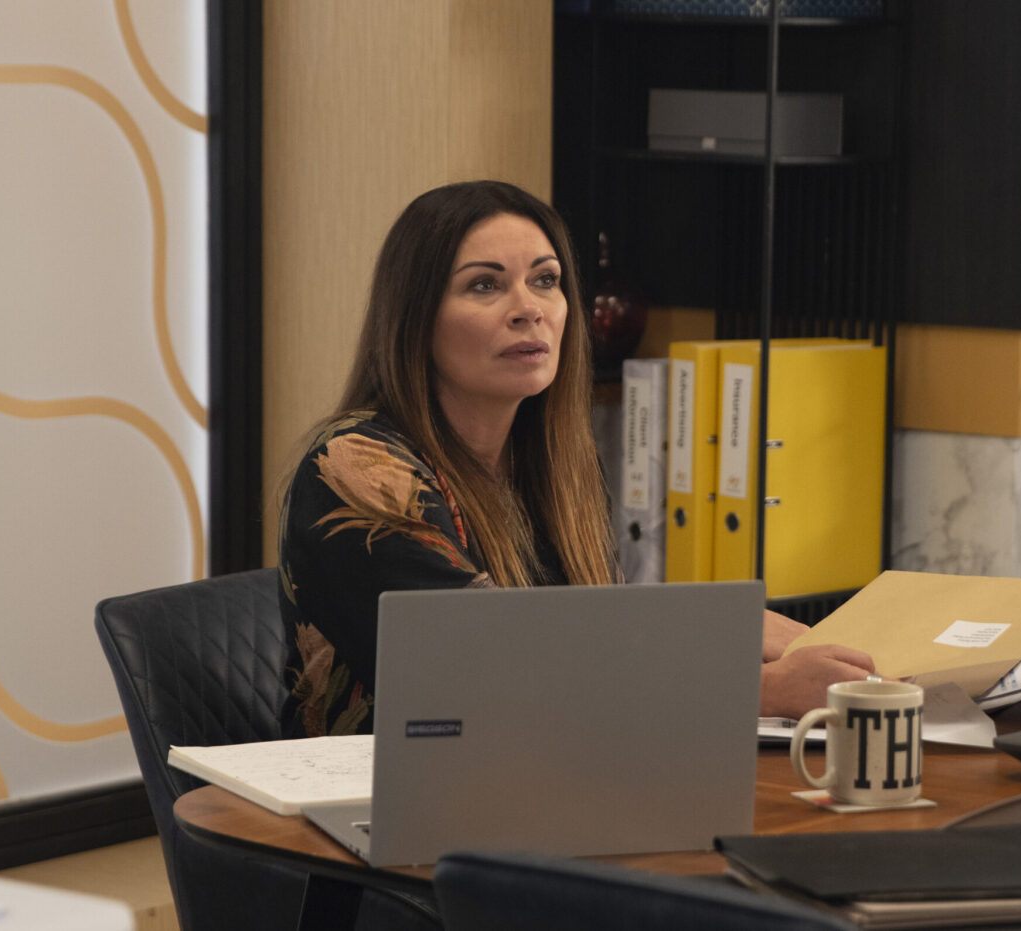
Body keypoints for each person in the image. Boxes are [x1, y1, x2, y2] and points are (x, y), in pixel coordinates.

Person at [277, 180, 875, 739]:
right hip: (380, 818)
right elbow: (496, 673)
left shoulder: (549, 459)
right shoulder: (357, 467)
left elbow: (590, 636)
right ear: (415, 318)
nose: (528, 307)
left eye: (546, 280)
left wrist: (733, 632)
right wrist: (758, 686)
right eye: (484, 285)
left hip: (549, 785)